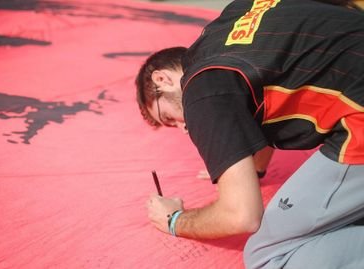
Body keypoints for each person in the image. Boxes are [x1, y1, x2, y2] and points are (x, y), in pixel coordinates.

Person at [136, 0, 364, 268]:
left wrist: (174, 220)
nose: (183, 127)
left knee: (266, 256)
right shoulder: (234, 18)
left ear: (162, 79)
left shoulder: (201, 90)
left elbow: (242, 216)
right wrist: (250, 167)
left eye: (168, 118)